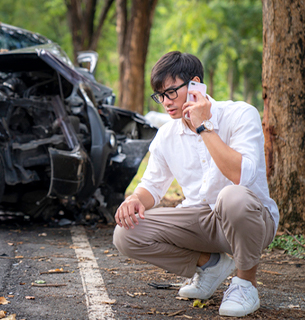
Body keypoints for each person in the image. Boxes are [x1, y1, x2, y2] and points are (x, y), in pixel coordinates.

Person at [113, 51, 279, 317]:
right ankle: (209, 265)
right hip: (201, 222)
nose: (165, 103)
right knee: (126, 233)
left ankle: (246, 283)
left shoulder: (240, 115)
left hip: (251, 220)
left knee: (232, 196)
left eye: (170, 92)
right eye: (159, 95)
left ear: (195, 85)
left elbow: (242, 177)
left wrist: (203, 126)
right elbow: (152, 186)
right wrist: (135, 199)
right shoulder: (167, 134)